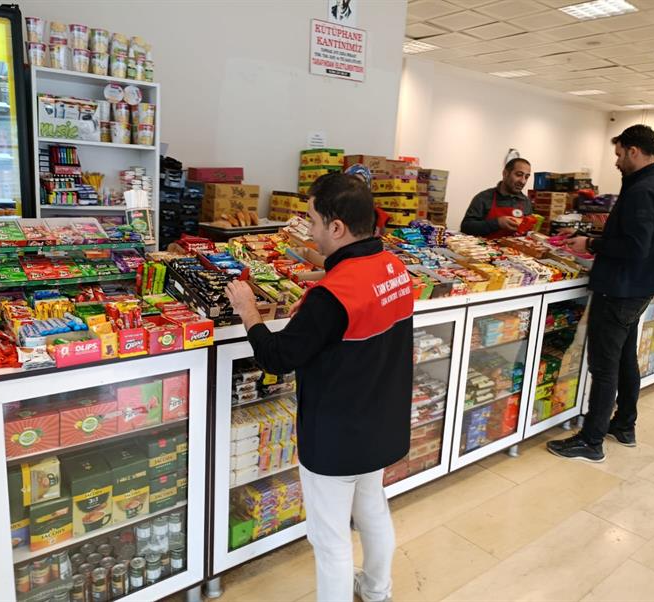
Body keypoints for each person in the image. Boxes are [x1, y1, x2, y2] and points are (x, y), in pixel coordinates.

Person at [225, 173, 414, 602]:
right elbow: (359, 310)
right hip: (381, 424)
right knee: (373, 510)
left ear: (337, 227)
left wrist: (248, 309)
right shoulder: (393, 267)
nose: (309, 230)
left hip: (336, 437)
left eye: (312, 221)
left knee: (330, 541)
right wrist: (318, 297)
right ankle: (378, 591)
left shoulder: (332, 298)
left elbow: (277, 357)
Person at [548, 124, 654, 462]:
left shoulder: (643, 190)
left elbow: (635, 247)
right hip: (638, 288)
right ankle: (624, 424)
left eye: (620, 154)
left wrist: (590, 244)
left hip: (620, 289)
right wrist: (594, 239)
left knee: (603, 366)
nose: (617, 161)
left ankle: (591, 441)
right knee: (623, 359)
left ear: (634, 150)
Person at [460, 158, 533, 238]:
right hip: (485, 246)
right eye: (518, 175)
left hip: (514, 246)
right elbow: (466, 227)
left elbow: (528, 231)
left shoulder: (526, 202)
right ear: (505, 173)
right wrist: (497, 223)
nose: (523, 181)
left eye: (526, 177)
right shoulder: (483, 198)